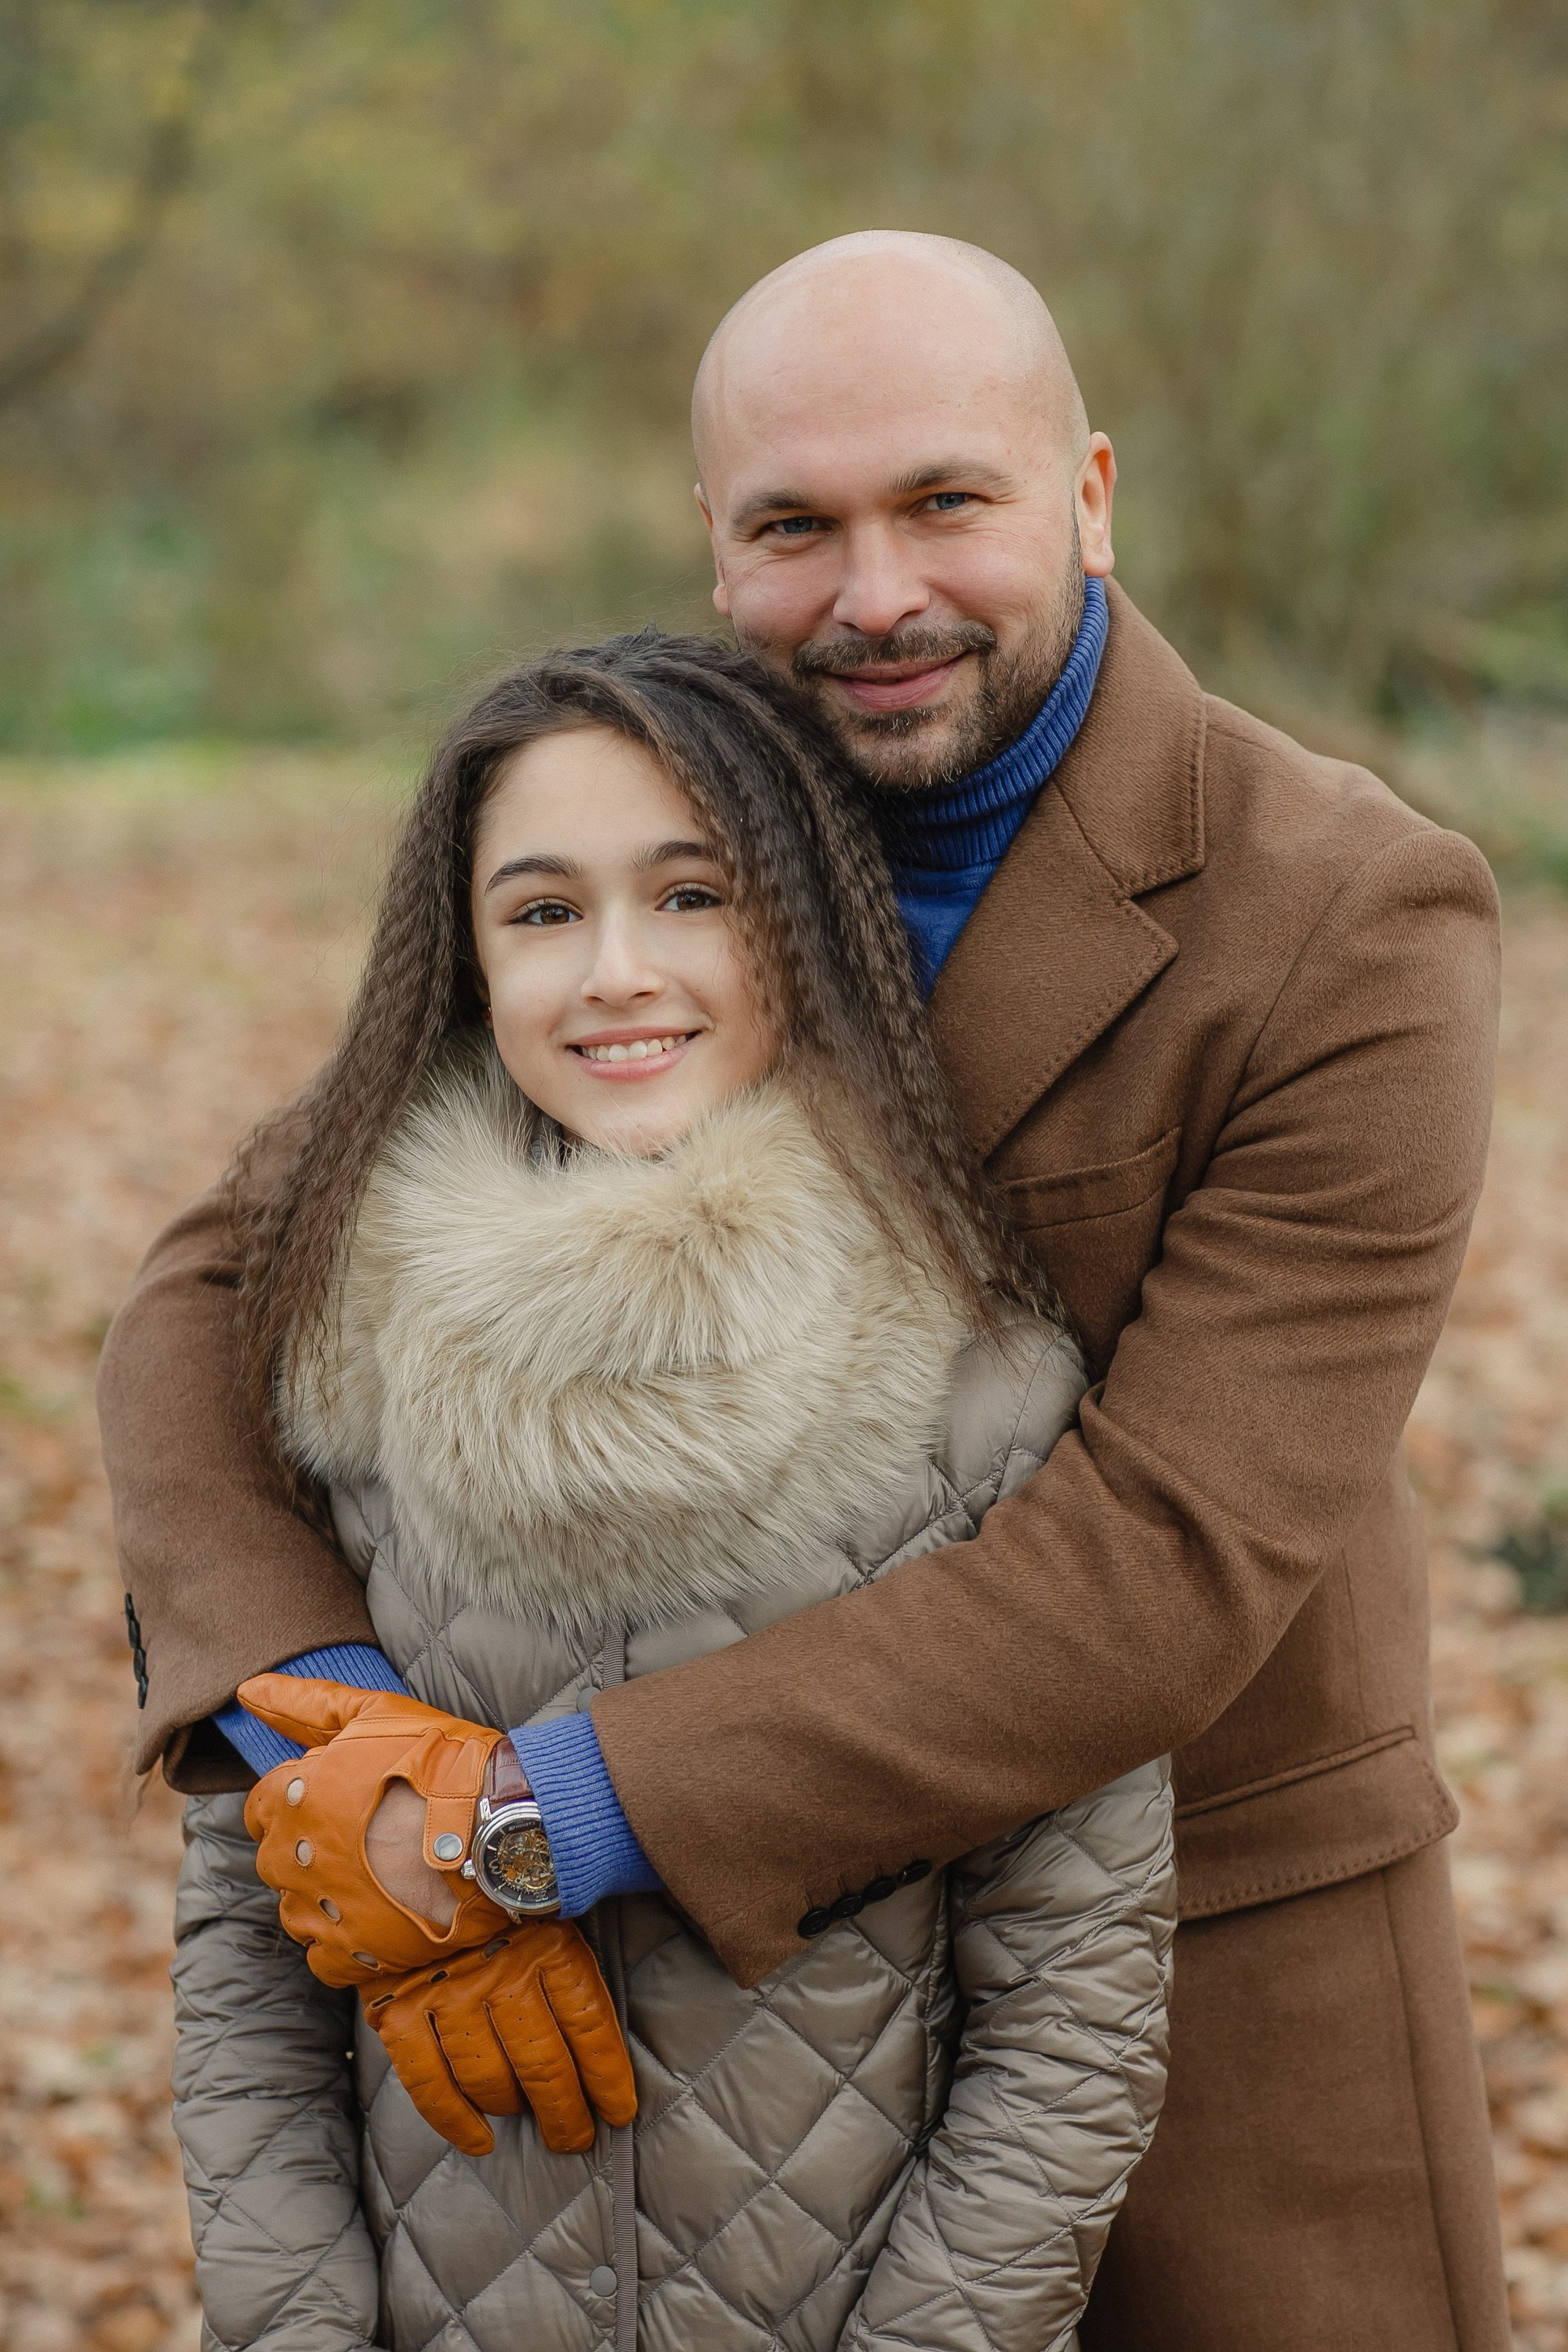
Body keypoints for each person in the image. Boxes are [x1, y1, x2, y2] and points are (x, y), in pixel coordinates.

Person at [100, 233, 1508, 2350]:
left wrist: (524, 1824)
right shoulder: (663, 816)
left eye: (948, 501)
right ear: (715, 542)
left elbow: (1165, 1565)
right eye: (794, 527)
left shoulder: (1351, 920)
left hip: (1203, 1980)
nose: (872, 596)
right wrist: (348, 1739)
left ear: (1092, 494)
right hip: (690, 2057)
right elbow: (210, 1291)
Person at [169, 631, 1176, 2348]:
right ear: (467, 963)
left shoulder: (976, 1386)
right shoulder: (336, 1353)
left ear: (801, 921)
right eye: (543, 913)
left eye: (691, 894)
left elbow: (1074, 1995)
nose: (617, 972)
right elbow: (249, 1960)